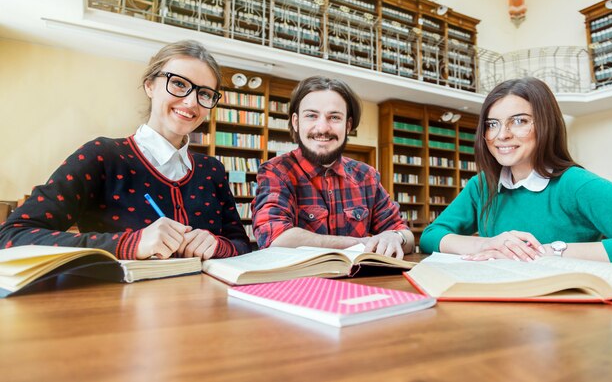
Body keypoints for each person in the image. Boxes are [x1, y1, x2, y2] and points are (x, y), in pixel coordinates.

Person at [0, 40, 250, 260]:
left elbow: (241, 245)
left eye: (205, 94)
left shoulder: (212, 170)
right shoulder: (102, 156)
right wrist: (130, 244)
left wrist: (218, 245)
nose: (191, 101)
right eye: (178, 84)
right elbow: (12, 237)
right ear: (150, 86)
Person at [420, 77, 612, 262]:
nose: (502, 135)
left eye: (519, 121)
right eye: (492, 124)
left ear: (546, 125)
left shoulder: (576, 184)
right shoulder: (482, 185)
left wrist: (546, 252)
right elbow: (430, 236)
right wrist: (485, 244)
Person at [252, 76, 414, 259]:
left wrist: (395, 237)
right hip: (297, 285)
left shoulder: (367, 176)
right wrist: (362, 243)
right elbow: (275, 237)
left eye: (334, 117)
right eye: (311, 115)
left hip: (359, 284)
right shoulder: (276, 171)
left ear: (348, 125)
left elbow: (407, 236)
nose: (322, 127)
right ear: (296, 122)